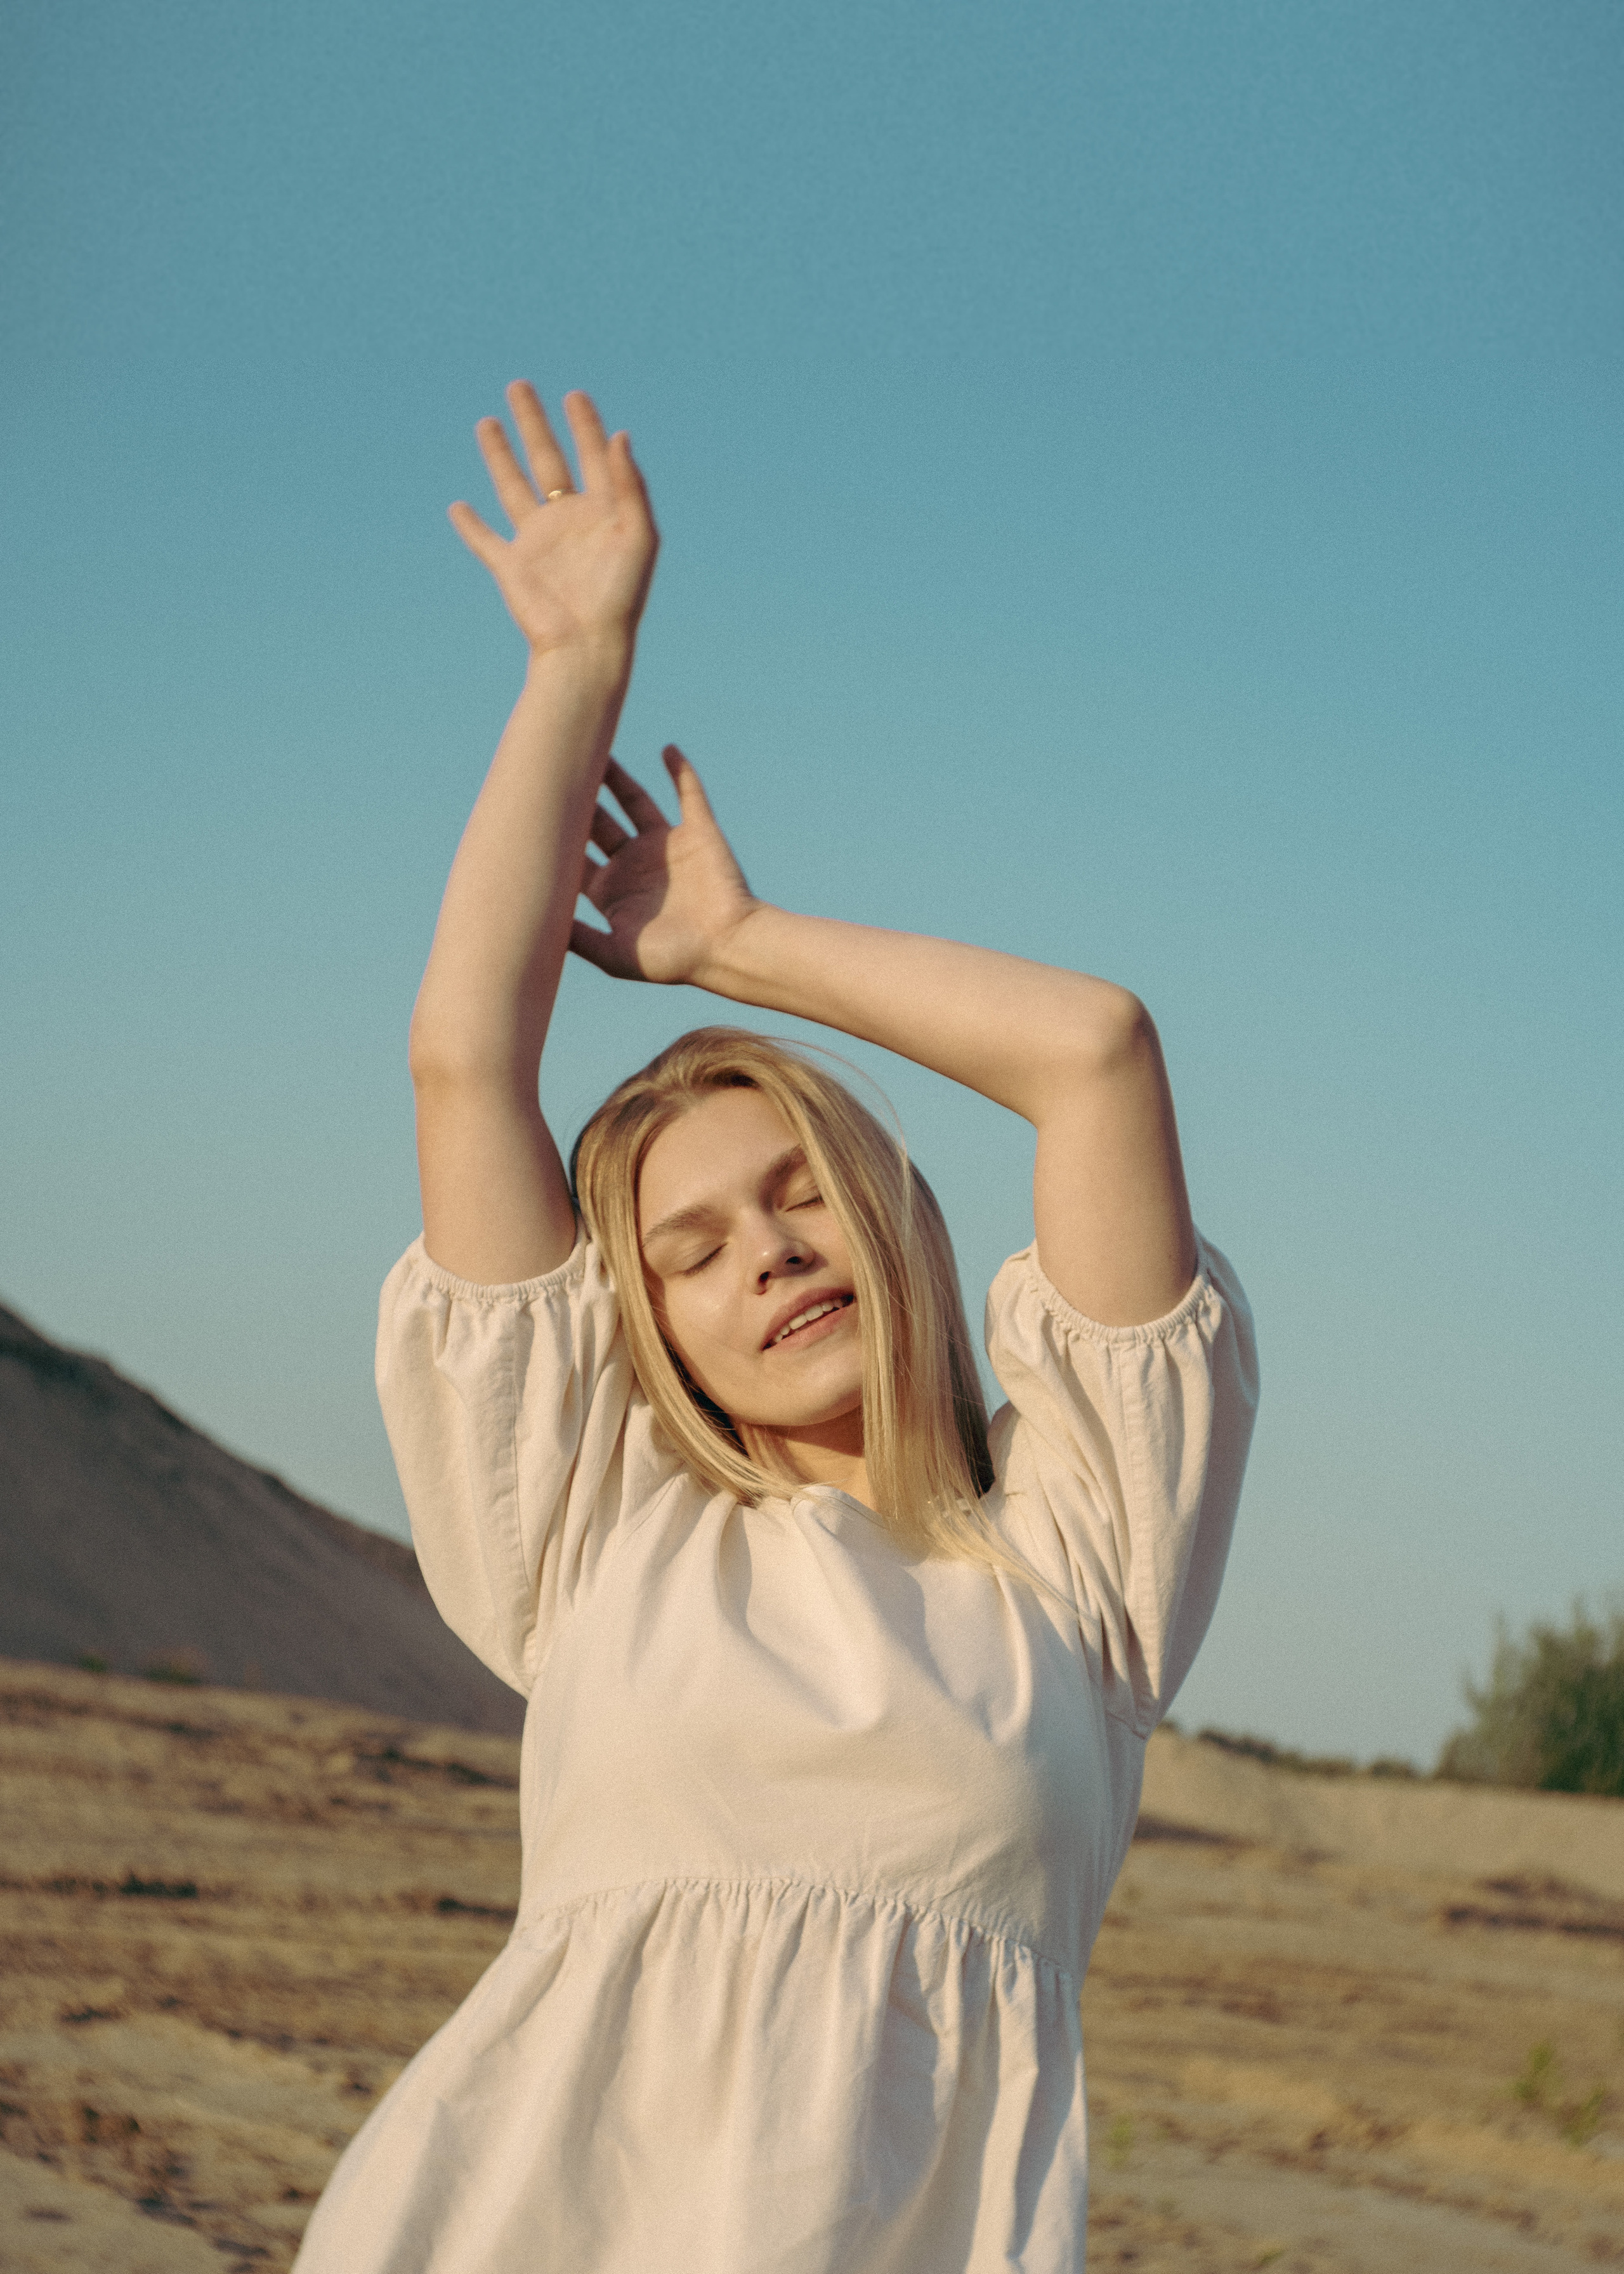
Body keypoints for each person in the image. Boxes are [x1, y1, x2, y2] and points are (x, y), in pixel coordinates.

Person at [292, 386, 1259, 2273]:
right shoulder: (597, 1531)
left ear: (890, 1207)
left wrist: (735, 947)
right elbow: (462, 1061)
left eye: (802, 1188)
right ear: (646, 1327)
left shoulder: (1084, 1560)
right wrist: (577, 666)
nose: (769, 1256)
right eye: (691, 1249)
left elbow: (1095, 1053)